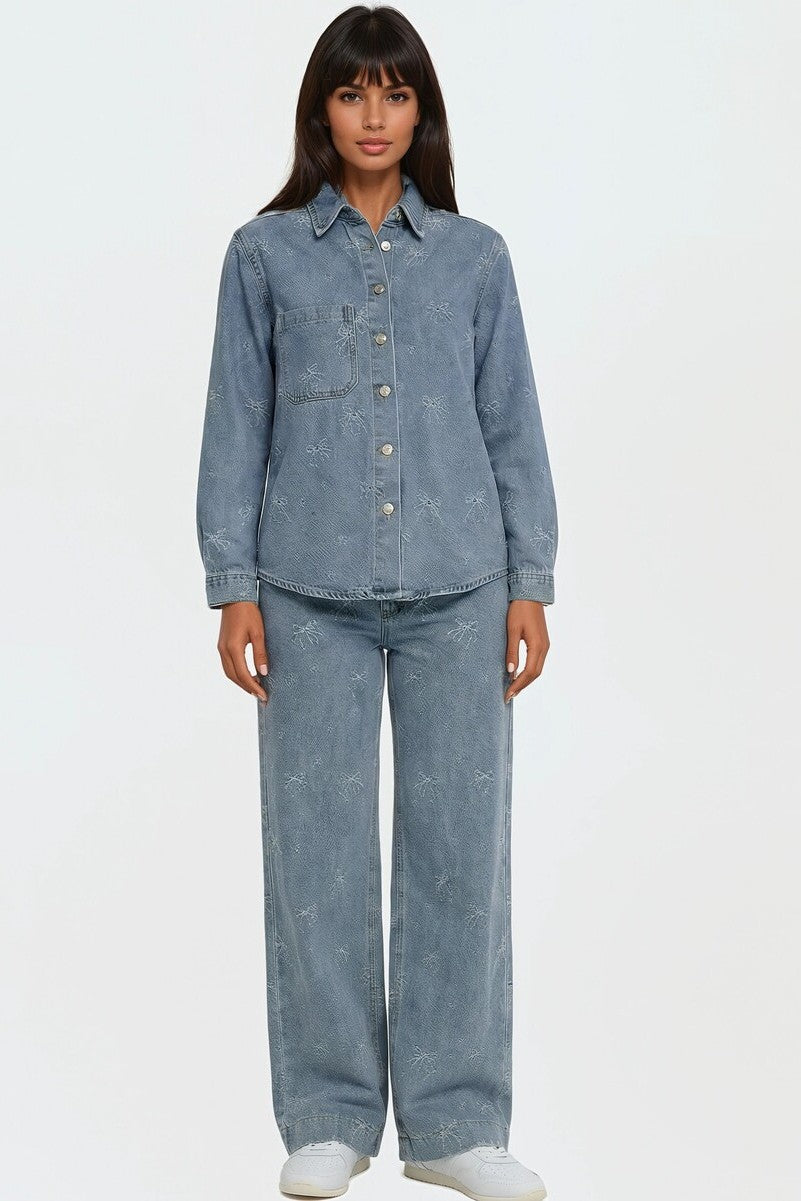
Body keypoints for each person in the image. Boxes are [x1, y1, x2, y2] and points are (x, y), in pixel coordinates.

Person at [195, 6, 558, 1198]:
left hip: (463, 587)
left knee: (462, 853)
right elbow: (236, 424)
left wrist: (530, 581)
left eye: (396, 94)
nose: (374, 116)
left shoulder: (475, 258)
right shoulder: (263, 256)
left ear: (421, 113)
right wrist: (233, 587)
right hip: (307, 592)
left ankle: (455, 1124)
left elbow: (512, 422)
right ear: (322, 108)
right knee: (316, 856)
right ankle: (329, 1114)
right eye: (354, 93)